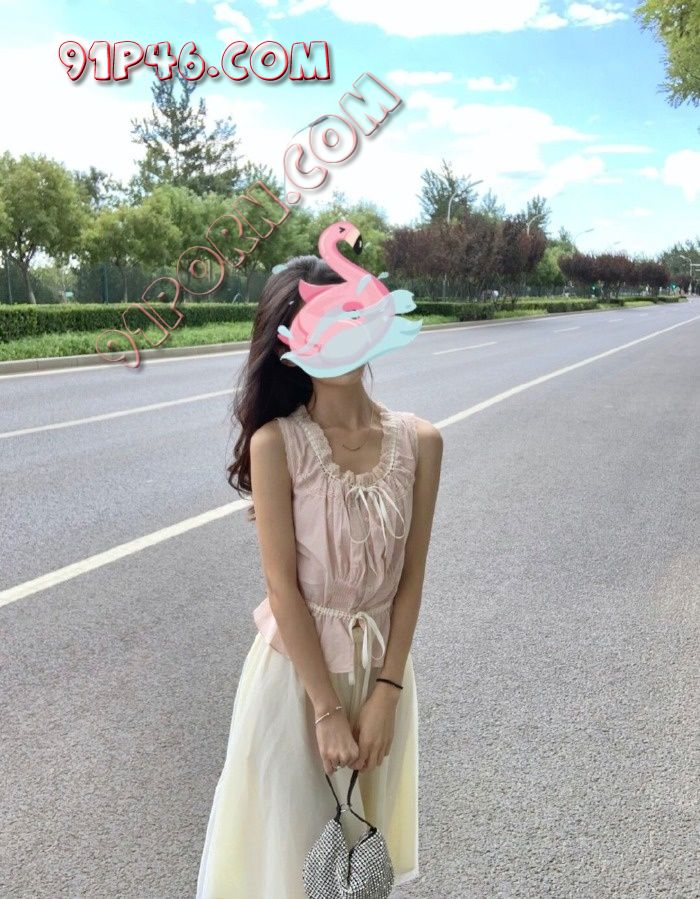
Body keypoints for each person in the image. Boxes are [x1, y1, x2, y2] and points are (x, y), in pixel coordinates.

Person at [195, 253, 443, 897]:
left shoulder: (421, 442)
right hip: (294, 684)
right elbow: (283, 589)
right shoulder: (277, 444)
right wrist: (327, 711)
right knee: (285, 860)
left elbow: (412, 578)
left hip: (380, 677)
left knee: (354, 863)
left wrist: (387, 694)